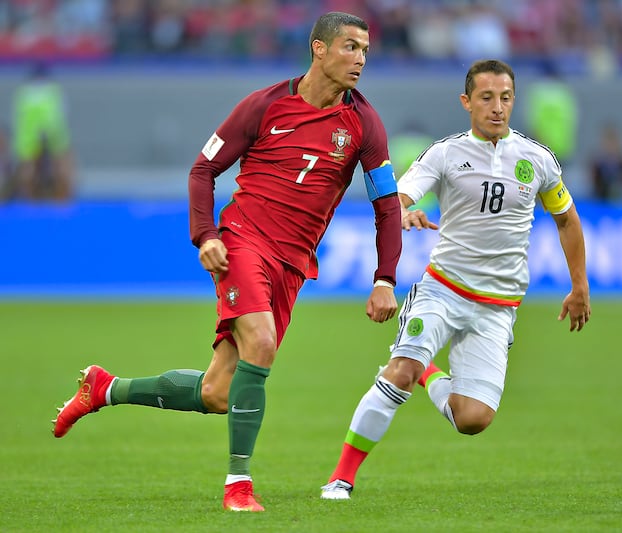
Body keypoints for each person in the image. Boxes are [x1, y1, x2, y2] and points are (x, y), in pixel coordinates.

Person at [51, 12, 402, 512]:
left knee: (218, 392)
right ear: (318, 49)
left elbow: (387, 205)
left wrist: (385, 278)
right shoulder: (264, 106)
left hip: (292, 263)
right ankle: (238, 486)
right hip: (243, 240)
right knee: (261, 341)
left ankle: (105, 389)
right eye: (350, 47)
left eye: (366, 50)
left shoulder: (364, 123)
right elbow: (204, 169)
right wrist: (205, 236)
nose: (361, 59)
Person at [320, 59, 592, 500]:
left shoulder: (537, 160)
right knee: (399, 372)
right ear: (467, 102)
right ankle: (341, 478)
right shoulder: (446, 154)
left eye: (505, 98)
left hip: (497, 307)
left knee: (472, 420)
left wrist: (580, 287)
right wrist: (404, 210)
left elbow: (567, 220)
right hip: (442, 290)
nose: (497, 108)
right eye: (486, 98)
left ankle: (428, 372)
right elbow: (398, 197)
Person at [10, 62, 74, 201]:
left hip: (35, 138)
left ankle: (32, 204)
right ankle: (59, 204)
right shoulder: (54, 92)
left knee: (30, 172)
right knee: (59, 170)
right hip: (46, 137)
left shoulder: (24, 93)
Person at [588, 121, 622, 203]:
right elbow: (593, 183)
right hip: (600, 202)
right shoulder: (598, 162)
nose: (611, 145)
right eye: (608, 142)